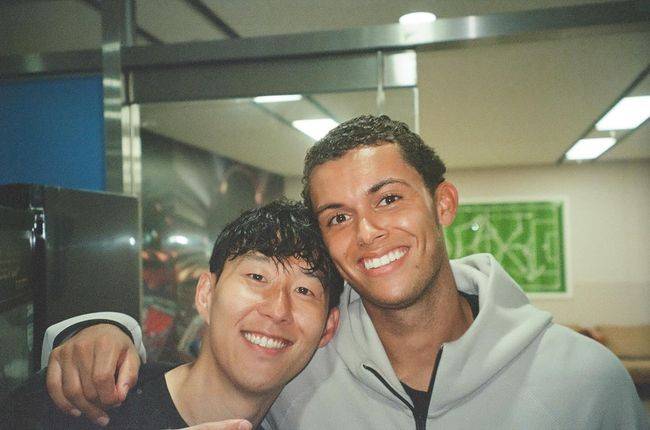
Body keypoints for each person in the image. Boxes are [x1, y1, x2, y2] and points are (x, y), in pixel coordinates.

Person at [42, 115, 647, 429]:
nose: (367, 233)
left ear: (442, 204)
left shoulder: (585, 383)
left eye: (389, 199)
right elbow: (204, 370)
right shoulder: (303, 363)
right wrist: (101, 329)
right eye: (337, 216)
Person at [5, 200, 342, 429]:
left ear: (328, 328)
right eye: (257, 277)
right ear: (206, 294)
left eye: (304, 291)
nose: (277, 310)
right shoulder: (83, 398)